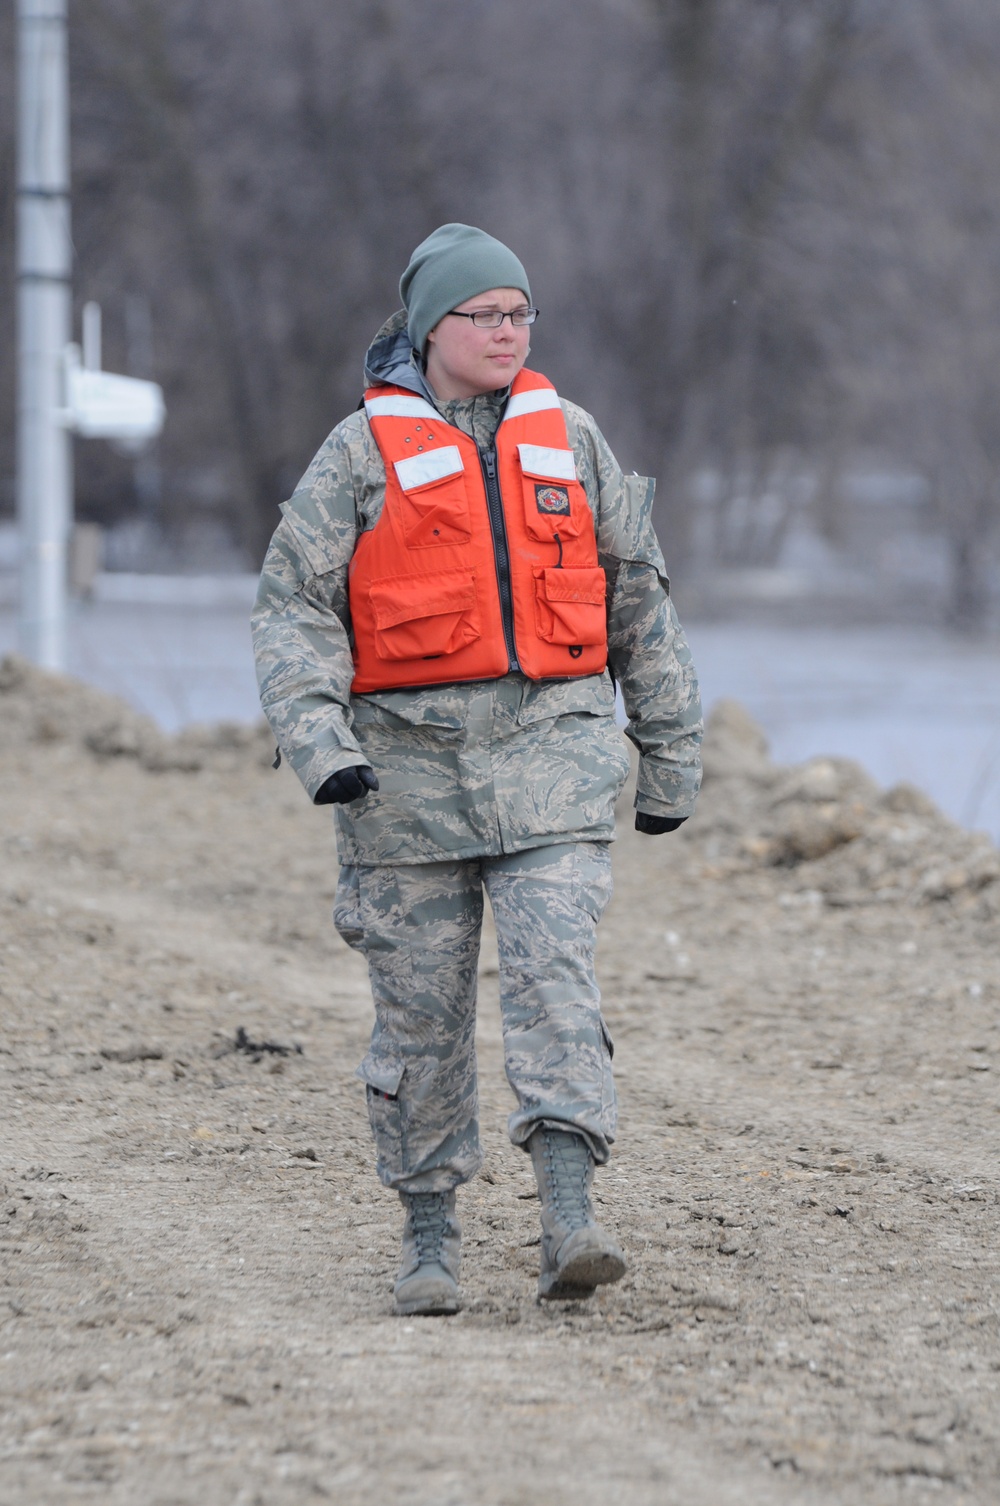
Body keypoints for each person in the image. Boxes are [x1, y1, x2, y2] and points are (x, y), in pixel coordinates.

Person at [251, 224, 702, 1316]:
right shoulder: (357, 454)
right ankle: (428, 1234)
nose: (508, 332)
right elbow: (294, 609)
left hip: (553, 760)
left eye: (520, 314)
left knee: (555, 980)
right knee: (421, 1016)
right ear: (429, 327)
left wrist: (668, 748)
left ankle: (569, 1218)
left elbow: (637, 599)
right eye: (484, 316)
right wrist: (322, 747)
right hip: (402, 786)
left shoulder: (573, 439)